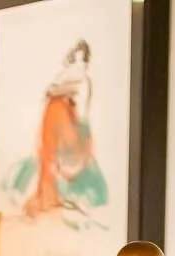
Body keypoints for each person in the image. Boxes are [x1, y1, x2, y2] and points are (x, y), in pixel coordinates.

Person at [23, 40, 110, 224]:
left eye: (82, 60)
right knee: (48, 156)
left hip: (69, 124)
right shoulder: (66, 77)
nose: (79, 63)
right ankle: (48, 196)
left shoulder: (83, 80)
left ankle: (56, 196)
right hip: (55, 121)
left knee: (60, 158)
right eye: (76, 59)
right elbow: (50, 91)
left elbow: (82, 109)